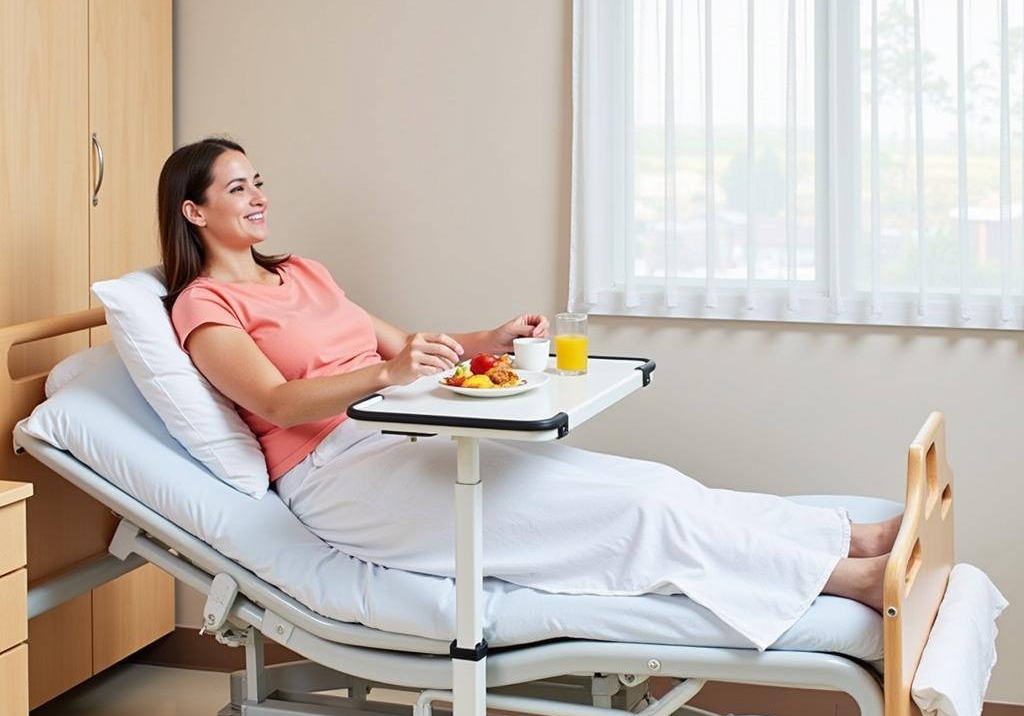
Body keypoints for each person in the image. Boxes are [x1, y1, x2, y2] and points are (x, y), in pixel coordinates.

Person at [159, 137, 899, 653]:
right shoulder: (203, 305)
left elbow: (404, 344)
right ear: (194, 211)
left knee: (648, 483)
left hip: (402, 435)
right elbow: (281, 401)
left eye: (258, 182)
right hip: (337, 478)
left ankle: (846, 536)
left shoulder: (304, 272)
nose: (258, 197)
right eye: (237, 187)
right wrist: (387, 378)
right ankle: (853, 581)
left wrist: (491, 338)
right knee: (634, 514)